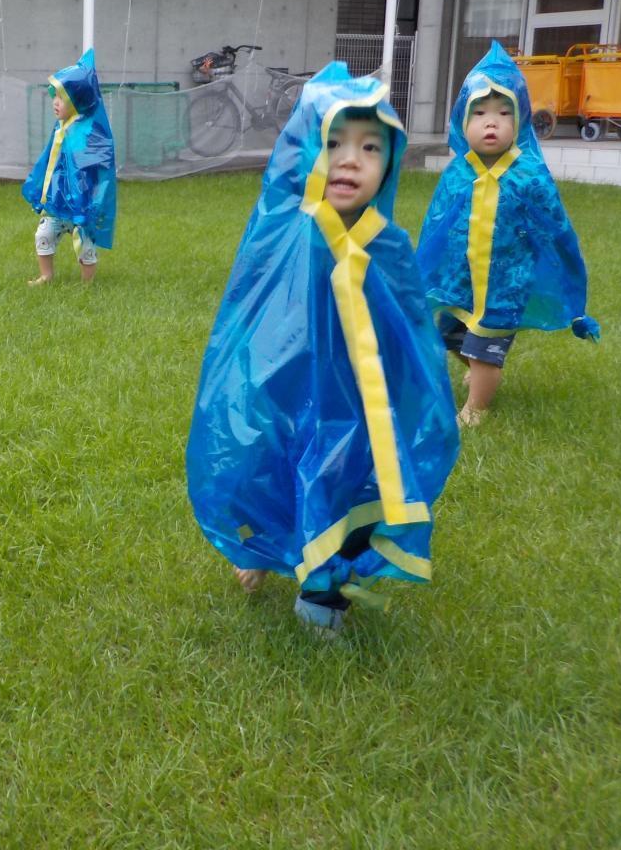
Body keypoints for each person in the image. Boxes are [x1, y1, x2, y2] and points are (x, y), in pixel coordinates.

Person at [186, 63, 459, 635]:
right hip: (289, 398)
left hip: (358, 411)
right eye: (333, 144)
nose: (350, 160)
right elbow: (253, 315)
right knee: (273, 476)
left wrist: (414, 400)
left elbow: (411, 334)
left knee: (346, 494)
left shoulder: (389, 245)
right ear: (305, 149)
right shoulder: (285, 232)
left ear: (390, 161)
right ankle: (265, 549)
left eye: (370, 147)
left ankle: (321, 602)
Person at [416, 41, 600, 425]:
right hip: (459, 282)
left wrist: (571, 289)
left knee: (486, 346)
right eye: (479, 112)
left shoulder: (529, 177)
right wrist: (423, 274)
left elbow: (557, 231)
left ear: (520, 122)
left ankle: (476, 408)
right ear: (461, 120)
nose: (491, 122)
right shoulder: (458, 174)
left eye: (504, 113)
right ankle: (477, 368)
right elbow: (436, 227)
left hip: (505, 284)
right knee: (451, 335)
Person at [21, 48, 117, 284]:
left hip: (82, 203)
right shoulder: (61, 127)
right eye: (54, 96)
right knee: (43, 234)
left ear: (78, 101)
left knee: (85, 245)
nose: (55, 103)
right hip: (57, 202)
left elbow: (98, 165)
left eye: (61, 98)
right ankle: (46, 275)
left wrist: (91, 201)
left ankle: (88, 284)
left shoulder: (90, 132)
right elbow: (49, 160)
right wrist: (39, 189)